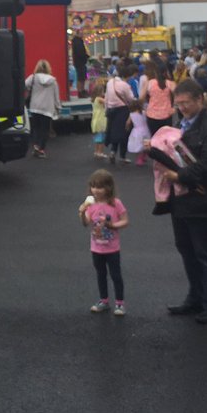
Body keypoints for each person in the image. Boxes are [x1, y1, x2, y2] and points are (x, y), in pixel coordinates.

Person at [145, 78, 207, 324]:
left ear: (199, 100)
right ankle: (195, 298)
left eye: (186, 103)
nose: (181, 108)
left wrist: (179, 175)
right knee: (187, 250)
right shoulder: (180, 124)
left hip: (203, 200)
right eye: (178, 104)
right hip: (180, 201)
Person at [78, 169, 128, 316]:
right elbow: (85, 223)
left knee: (115, 275)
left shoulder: (115, 203)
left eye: (100, 187)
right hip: (96, 248)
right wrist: (82, 212)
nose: (96, 190)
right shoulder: (90, 205)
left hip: (112, 248)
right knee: (100, 274)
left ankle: (120, 303)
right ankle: (104, 300)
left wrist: (112, 225)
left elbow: (125, 221)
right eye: (93, 186)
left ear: (108, 187)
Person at [24, 59, 61, 158]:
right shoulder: (53, 81)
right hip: (47, 108)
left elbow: (24, 85)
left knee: (36, 128)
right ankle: (41, 149)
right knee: (45, 130)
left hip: (35, 106)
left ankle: (36, 145)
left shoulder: (33, 78)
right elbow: (56, 96)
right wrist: (58, 107)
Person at [104, 69, 133, 165]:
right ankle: (122, 156)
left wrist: (106, 109)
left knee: (114, 132)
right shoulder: (125, 85)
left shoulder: (110, 82)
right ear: (127, 76)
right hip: (122, 111)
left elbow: (106, 97)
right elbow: (131, 98)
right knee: (124, 133)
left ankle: (112, 152)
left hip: (111, 110)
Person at [144, 59, 176, 138]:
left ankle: (155, 150)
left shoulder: (150, 83)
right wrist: (175, 107)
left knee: (154, 138)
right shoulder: (170, 83)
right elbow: (179, 95)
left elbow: (141, 97)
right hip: (166, 114)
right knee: (166, 138)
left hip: (151, 114)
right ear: (166, 72)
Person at [126, 98, 149, 165]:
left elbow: (128, 122)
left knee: (139, 145)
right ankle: (144, 156)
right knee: (145, 144)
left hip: (137, 130)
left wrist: (127, 127)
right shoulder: (144, 113)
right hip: (146, 129)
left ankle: (140, 159)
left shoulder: (131, 114)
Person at [90, 80, 108, 159]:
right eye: (103, 91)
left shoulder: (94, 99)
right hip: (100, 119)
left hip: (96, 119)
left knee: (98, 137)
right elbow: (107, 102)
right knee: (101, 137)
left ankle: (96, 151)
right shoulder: (99, 99)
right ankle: (100, 152)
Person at [71, 31, 89, 96]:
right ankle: (80, 91)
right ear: (78, 34)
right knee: (81, 77)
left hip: (79, 62)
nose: (83, 34)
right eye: (82, 33)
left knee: (82, 77)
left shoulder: (77, 41)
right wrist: (86, 56)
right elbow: (80, 52)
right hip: (80, 62)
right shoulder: (77, 42)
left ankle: (82, 90)